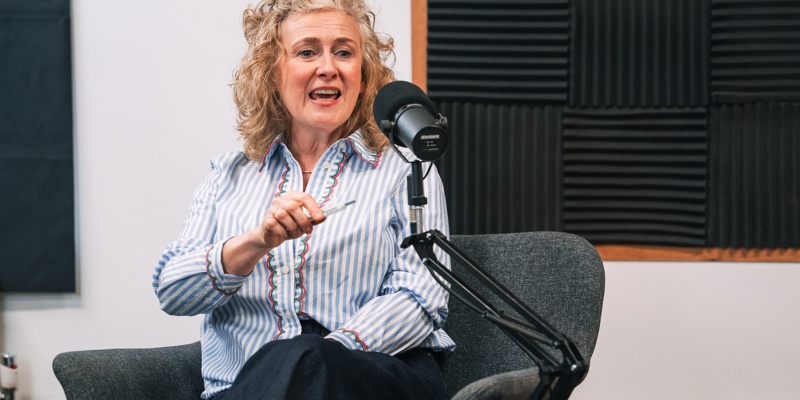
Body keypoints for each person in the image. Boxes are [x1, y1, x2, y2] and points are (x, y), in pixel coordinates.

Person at [152, 0, 453, 399]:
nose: (327, 67)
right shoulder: (228, 177)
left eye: (344, 52)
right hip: (247, 388)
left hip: (373, 376)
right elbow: (173, 291)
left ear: (363, 77)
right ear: (272, 75)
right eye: (307, 51)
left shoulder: (405, 170)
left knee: (306, 359)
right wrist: (257, 241)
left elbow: (422, 297)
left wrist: (322, 359)